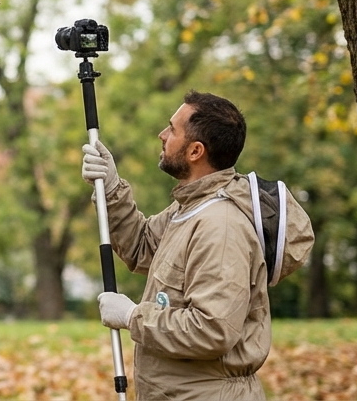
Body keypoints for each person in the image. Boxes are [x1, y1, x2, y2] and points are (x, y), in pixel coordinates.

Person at [82, 90, 312, 400]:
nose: (162, 135)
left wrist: (132, 316)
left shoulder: (221, 226)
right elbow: (142, 246)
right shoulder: (191, 208)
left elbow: (211, 329)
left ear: (195, 151)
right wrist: (111, 187)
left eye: (172, 130)